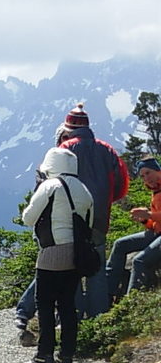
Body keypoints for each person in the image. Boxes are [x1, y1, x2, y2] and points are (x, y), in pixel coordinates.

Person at [15, 103, 130, 334]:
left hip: (65, 222)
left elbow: (44, 185)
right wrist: (102, 202)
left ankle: (70, 324)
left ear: (68, 129)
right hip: (98, 219)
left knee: (66, 268)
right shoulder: (107, 150)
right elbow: (122, 186)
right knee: (95, 267)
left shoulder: (63, 151)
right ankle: (99, 325)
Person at [21, 147, 94, 363]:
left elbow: (28, 218)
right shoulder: (84, 190)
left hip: (52, 252)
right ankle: (67, 354)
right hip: (76, 254)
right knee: (67, 304)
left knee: (44, 302)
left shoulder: (50, 186)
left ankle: (44, 353)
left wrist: (38, 187)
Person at [105, 156, 161, 297]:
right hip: (156, 233)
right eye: (142, 176)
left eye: (148, 173)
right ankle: (107, 292)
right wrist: (144, 220)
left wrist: (148, 214)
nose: (146, 178)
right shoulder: (155, 191)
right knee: (120, 244)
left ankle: (130, 301)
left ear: (158, 170)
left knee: (139, 260)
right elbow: (155, 224)